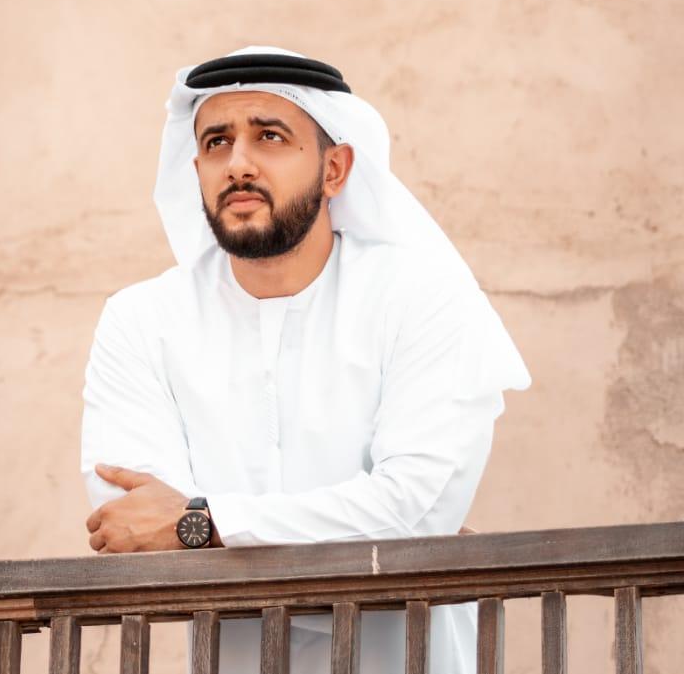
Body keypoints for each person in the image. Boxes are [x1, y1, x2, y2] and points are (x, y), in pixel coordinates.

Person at [79, 46, 531, 673]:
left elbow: (412, 511)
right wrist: (346, 533)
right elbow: (135, 531)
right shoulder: (141, 319)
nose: (238, 164)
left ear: (335, 169)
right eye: (216, 142)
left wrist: (200, 523)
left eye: (269, 136)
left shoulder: (421, 297)